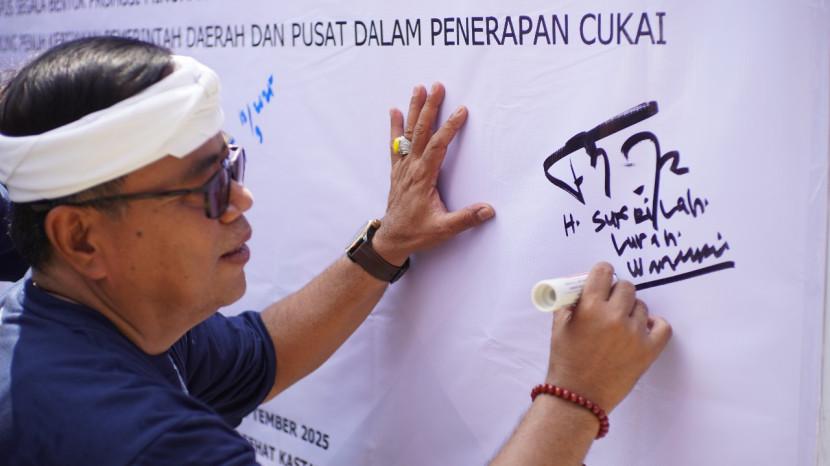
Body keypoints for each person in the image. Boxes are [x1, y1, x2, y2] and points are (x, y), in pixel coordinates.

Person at [0, 37, 671, 466]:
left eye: (231, 166)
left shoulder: (74, 323)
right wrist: (575, 397)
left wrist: (386, 245)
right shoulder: (134, 442)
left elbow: (259, 355)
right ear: (80, 237)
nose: (241, 199)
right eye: (208, 188)